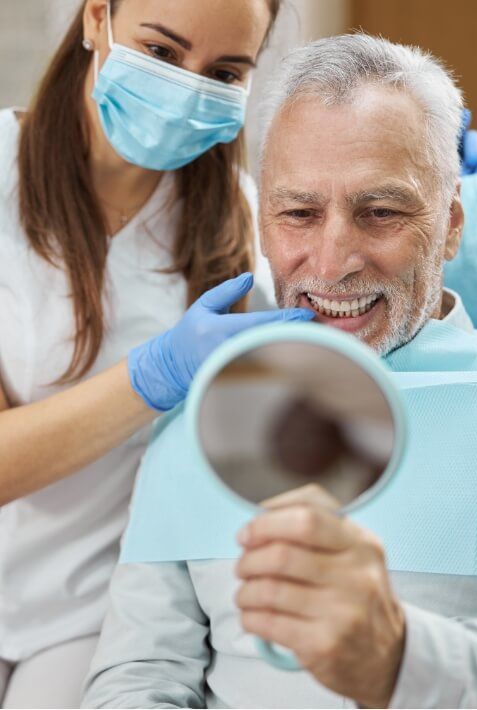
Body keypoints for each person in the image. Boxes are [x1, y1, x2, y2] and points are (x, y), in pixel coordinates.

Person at [82, 34, 477, 709]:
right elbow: (139, 672)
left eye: (380, 212)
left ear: (451, 225)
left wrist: (401, 659)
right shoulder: (199, 413)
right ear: (263, 228)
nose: (332, 260)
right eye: (298, 213)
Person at [0, 0, 330, 706]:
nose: (187, 88)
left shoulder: (239, 231)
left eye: (224, 71)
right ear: (96, 19)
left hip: (90, 605)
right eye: (160, 52)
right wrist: (157, 375)